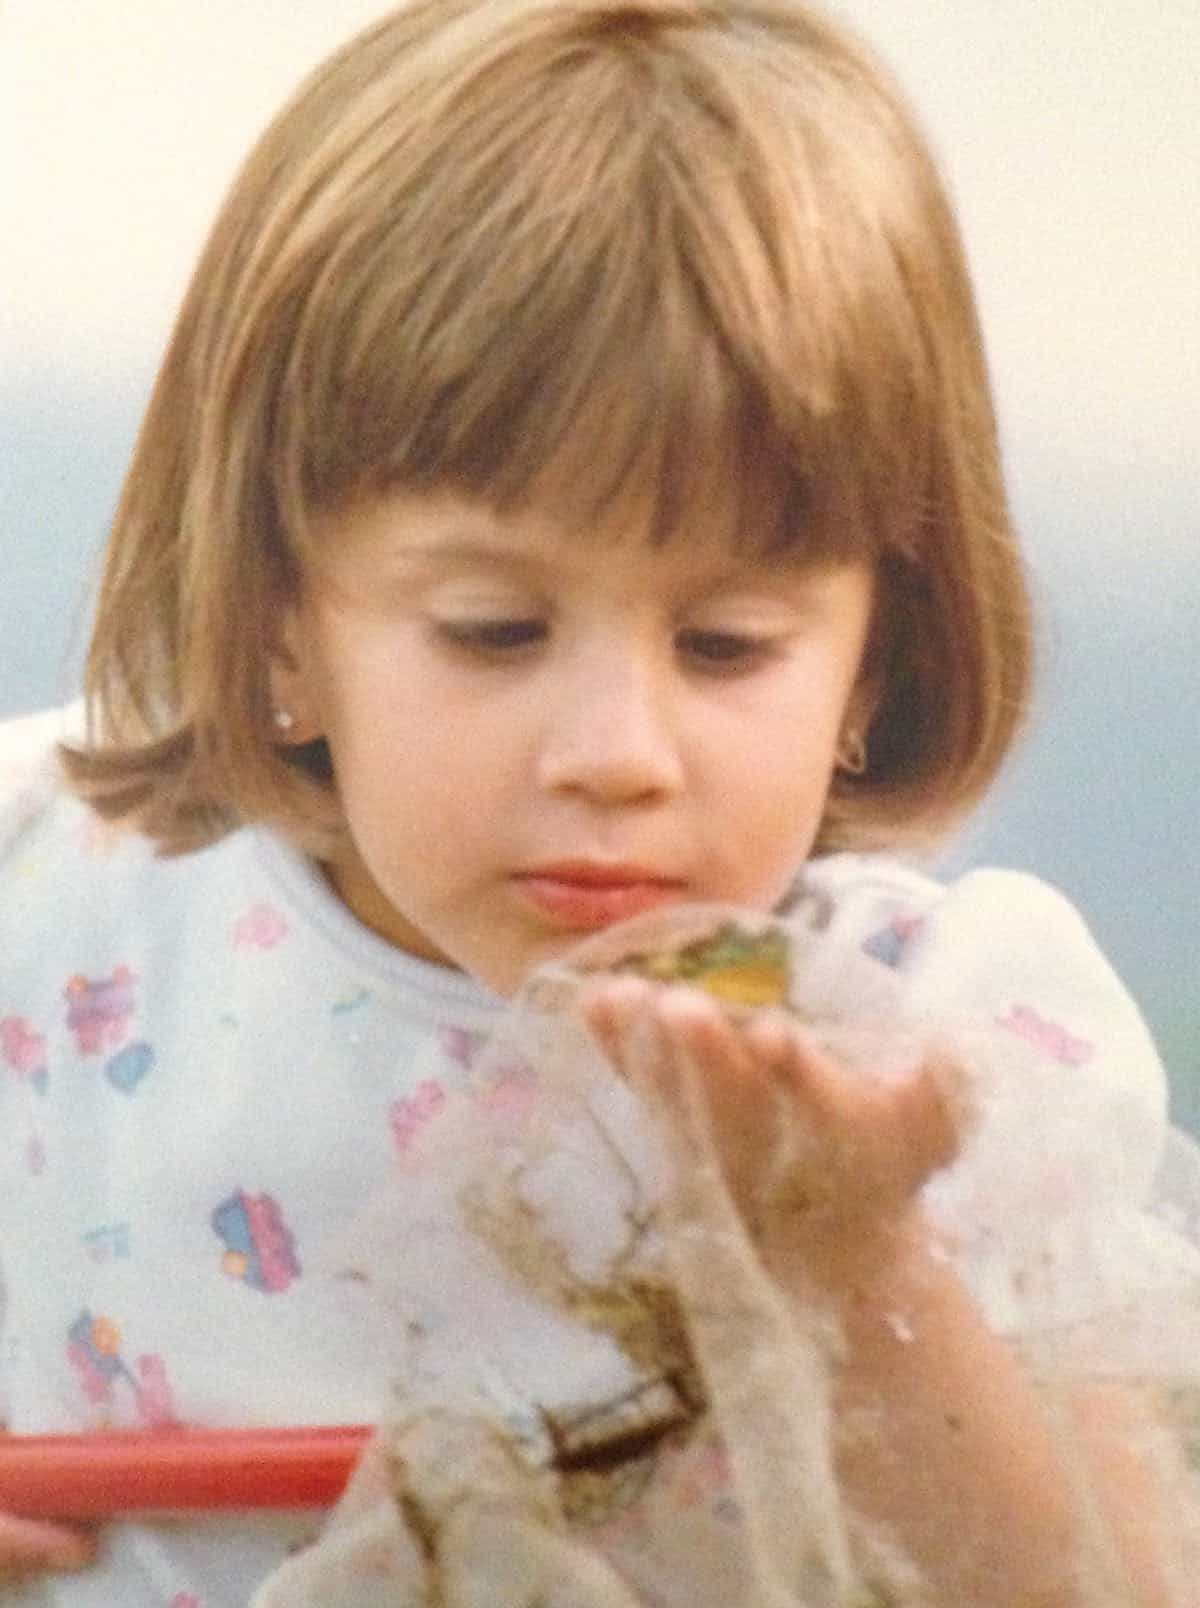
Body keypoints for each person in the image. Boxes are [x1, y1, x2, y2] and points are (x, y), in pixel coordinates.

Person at [2, 0, 1198, 1602]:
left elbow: (1097, 1584)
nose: (619, 750)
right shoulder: (43, 882)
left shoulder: (939, 1045)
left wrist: (849, 1247)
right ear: (280, 623)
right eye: (495, 631)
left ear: (870, 668)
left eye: (727, 645)